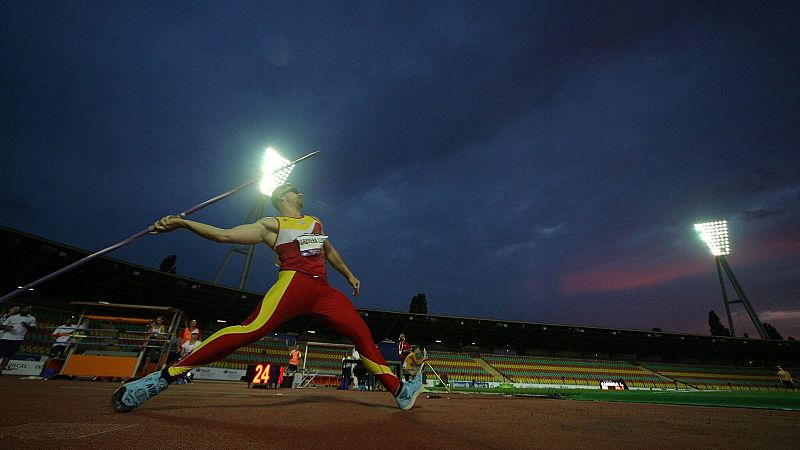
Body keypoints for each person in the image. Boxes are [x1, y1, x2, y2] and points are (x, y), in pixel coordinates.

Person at [112, 183, 424, 412]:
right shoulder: (271, 226)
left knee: (360, 332)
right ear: (281, 198)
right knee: (251, 329)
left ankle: (399, 391)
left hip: (324, 291)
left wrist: (349, 275)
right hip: (294, 284)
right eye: (292, 188)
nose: (299, 191)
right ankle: (161, 379)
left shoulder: (314, 221)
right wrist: (183, 223)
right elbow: (224, 235)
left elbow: (329, 252)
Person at [0, 305, 37, 372]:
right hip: (5, 337)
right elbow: (2, 326)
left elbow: (33, 329)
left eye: (29, 309)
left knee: (8, 355)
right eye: (26, 308)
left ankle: (1, 369)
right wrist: (6, 328)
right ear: (21, 309)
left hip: (17, 339)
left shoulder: (32, 318)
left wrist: (26, 325)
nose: (28, 310)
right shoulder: (12, 317)